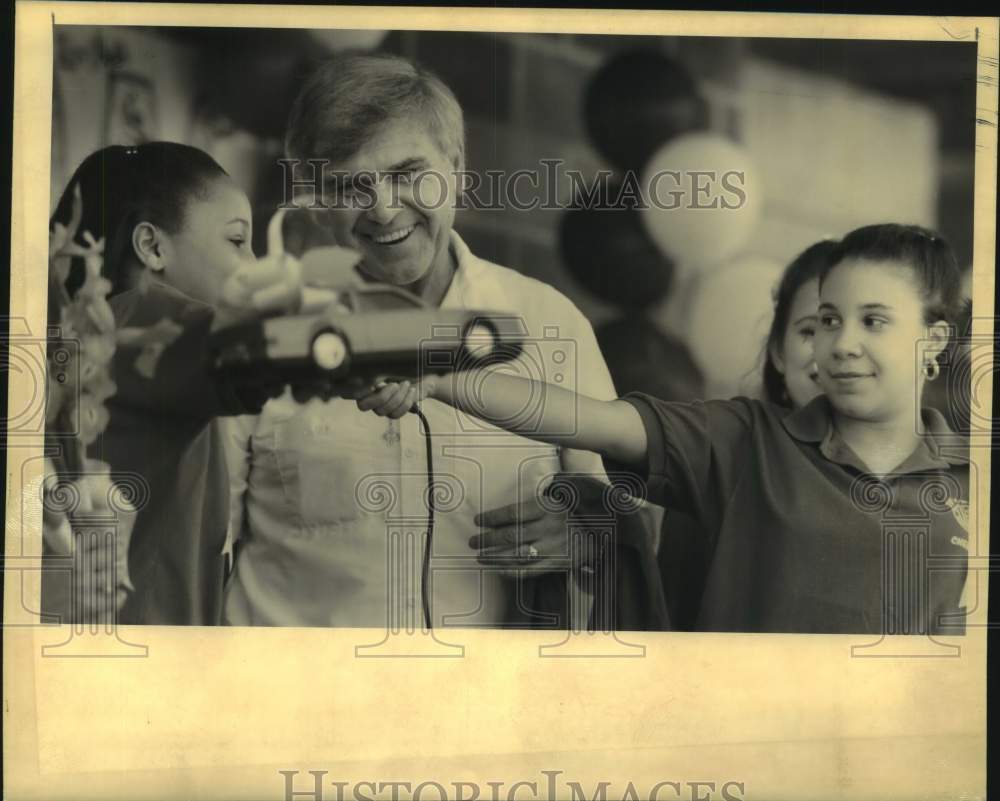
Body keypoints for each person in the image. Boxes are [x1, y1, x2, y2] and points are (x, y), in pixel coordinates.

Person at [364, 224, 970, 634]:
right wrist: (439, 381)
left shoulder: (973, 489)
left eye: (874, 321)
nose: (842, 345)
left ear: (933, 341)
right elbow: (589, 418)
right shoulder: (744, 441)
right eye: (828, 320)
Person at [222, 52, 622, 630]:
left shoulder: (549, 323)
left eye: (407, 175)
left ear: (456, 167)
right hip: (295, 706)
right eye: (350, 186)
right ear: (313, 202)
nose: (384, 210)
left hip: (483, 707)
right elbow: (203, 546)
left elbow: (625, 515)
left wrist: (588, 532)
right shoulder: (256, 336)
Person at [46, 143, 311, 625]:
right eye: (237, 241)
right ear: (152, 246)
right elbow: (252, 350)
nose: (250, 262)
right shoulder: (144, 320)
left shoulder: (79, 339)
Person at [658, 239, 839, 630]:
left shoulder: (929, 486)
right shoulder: (723, 460)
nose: (834, 351)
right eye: (811, 330)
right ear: (777, 351)